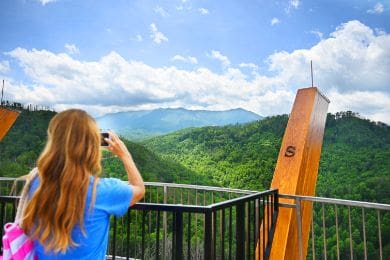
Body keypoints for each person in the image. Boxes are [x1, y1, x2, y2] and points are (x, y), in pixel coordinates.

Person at [20, 109, 145, 259]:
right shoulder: (102, 191)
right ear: (91, 147)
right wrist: (124, 154)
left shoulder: (36, 182)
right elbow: (139, 189)